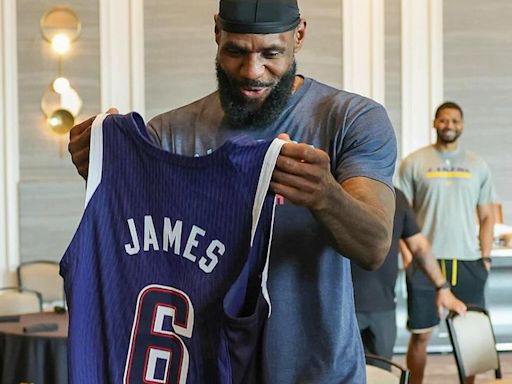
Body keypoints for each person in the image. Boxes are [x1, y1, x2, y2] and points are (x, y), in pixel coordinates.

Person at [68, 0, 398, 382]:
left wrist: (326, 195)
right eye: (236, 52)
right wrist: (108, 167)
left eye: (271, 53)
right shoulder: (171, 132)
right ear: (217, 34)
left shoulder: (351, 119)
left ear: (299, 35)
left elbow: (374, 247)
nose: (252, 71)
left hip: (316, 371)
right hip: (205, 366)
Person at [399, 101, 495, 384]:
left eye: (454, 121)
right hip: (425, 261)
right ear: (434, 123)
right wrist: (407, 257)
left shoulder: (478, 165)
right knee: (421, 335)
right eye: (443, 120)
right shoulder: (414, 162)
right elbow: (400, 213)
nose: (448, 125)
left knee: (469, 337)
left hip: (467, 260)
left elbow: (487, 215)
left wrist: (485, 258)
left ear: (462, 125)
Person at [351, 187, 466, 362]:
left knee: (382, 375)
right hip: (341, 307)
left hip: (383, 307)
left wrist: (442, 286)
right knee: (338, 373)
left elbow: (419, 246)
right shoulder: (334, 191)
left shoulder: (395, 196)